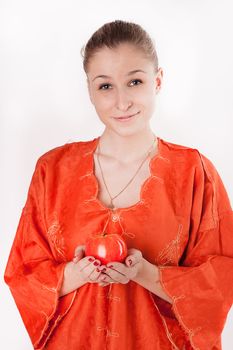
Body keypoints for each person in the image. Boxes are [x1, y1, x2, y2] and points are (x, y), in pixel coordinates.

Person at [4, 19, 233, 350]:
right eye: (106, 86)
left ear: (157, 81)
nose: (122, 102)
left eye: (135, 81)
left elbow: (223, 277)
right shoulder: (52, 170)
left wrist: (146, 274)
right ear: (90, 91)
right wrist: (77, 273)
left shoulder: (195, 173)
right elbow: (23, 273)